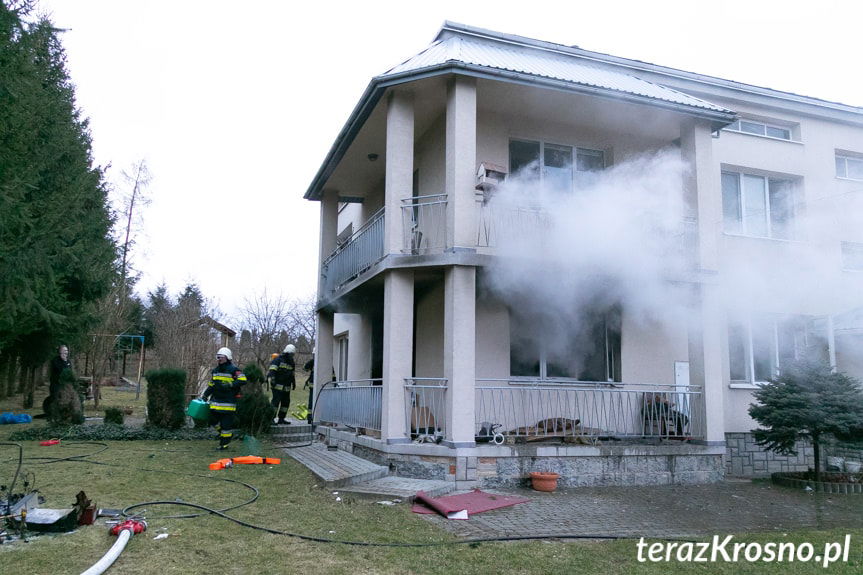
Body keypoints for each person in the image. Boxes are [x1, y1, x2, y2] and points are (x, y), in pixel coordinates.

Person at [202, 347, 247, 450]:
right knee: (212, 421)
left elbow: (243, 380)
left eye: (221, 357)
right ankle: (222, 434)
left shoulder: (234, 370)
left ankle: (224, 445)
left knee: (226, 426)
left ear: (227, 358)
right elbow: (211, 385)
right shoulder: (215, 370)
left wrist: (231, 384)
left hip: (228, 403)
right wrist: (205, 395)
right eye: (217, 357)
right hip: (215, 402)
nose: (219, 359)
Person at [268, 344, 296, 425]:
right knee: (275, 403)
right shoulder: (278, 359)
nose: (292, 356)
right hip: (277, 386)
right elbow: (272, 370)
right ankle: (271, 419)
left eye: (293, 354)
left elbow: (292, 373)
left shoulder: (291, 362)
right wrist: (272, 379)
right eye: (291, 354)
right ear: (287, 353)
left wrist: (293, 382)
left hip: (287, 387)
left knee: (285, 403)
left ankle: (281, 418)